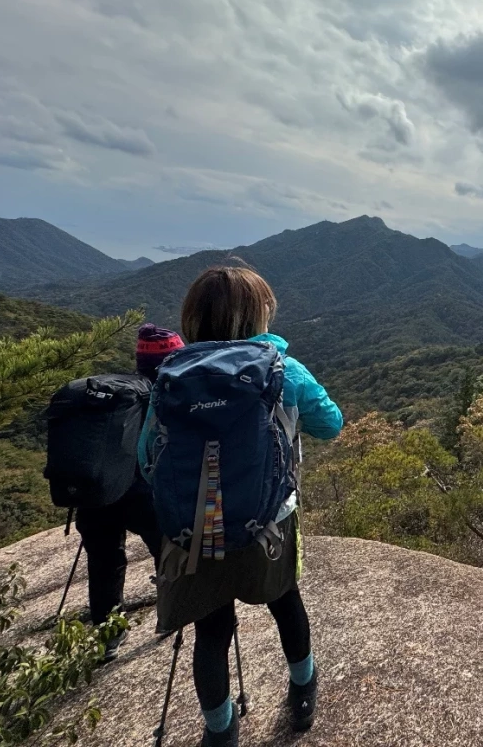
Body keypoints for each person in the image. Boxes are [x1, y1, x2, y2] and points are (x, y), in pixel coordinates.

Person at [139, 267, 344, 747]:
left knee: (211, 630)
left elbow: (148, 459)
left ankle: (220, 729)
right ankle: (303, 689)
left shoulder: (173, 376)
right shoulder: (281, 368)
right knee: (286, 602)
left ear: (192, 317)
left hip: (195, 530)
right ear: (259, 314)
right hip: (267, 523)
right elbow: (331, 424)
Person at [74, 323, 183, 660]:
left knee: (104, 561)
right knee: (167, 550)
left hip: (95, 493)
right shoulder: (163, 394)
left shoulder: (116, 394)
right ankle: (171, 613)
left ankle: (109, 635)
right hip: (141, 493)